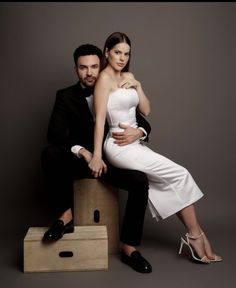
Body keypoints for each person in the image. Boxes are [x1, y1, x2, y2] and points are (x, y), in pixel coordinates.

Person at [89, 32, 222, 264]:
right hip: (118, 147)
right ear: (107, 51)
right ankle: (196, 236)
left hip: (136, 144)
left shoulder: (129, 76)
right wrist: (97, 156)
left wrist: (138, 86)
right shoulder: (103, 80)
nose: (122, 58)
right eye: (117, 52)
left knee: (170, 181)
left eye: (126, 53)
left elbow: (147, 111)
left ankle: (194, 236)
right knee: (180, 174)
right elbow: (99, 119)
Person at [41, 44, 153, 273]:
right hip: (82, 163)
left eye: (94, 66)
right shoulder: (65, 96)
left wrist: (139, 132)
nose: (89, 73)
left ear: (101, 65)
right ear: (76, 70)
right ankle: (65, 216)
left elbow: (145, 123)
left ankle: (129, 248)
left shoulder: (115, 89)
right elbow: (54, 135)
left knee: (140, 182)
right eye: (83, 68)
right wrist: (85, 153)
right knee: (50, 153)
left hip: (112, 162)